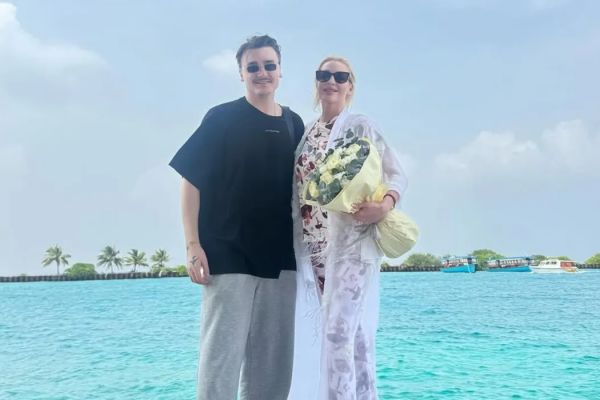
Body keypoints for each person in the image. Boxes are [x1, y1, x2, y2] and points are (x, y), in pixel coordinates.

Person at [169, 34, 305, 400]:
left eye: (269, 65)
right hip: (228, 254)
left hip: (282, 260)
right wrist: (192, 244)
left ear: (280, 71)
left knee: (273, 366)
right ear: (241, 74)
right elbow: (191, 180)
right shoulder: (222, 118)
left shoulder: (294, 123)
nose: (262, 73)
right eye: (253, 67)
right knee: (220, 362)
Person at [288, 56, 408, 400]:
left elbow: (396, 174)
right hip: (313, 249)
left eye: (340, 76)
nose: (331, 81)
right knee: (354, 338)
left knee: (338, 334)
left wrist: (385, 205)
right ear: (316, 82)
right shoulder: (306, 133)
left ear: (350, 86)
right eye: (324, 75)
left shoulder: (359, 125)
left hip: (352, 247)